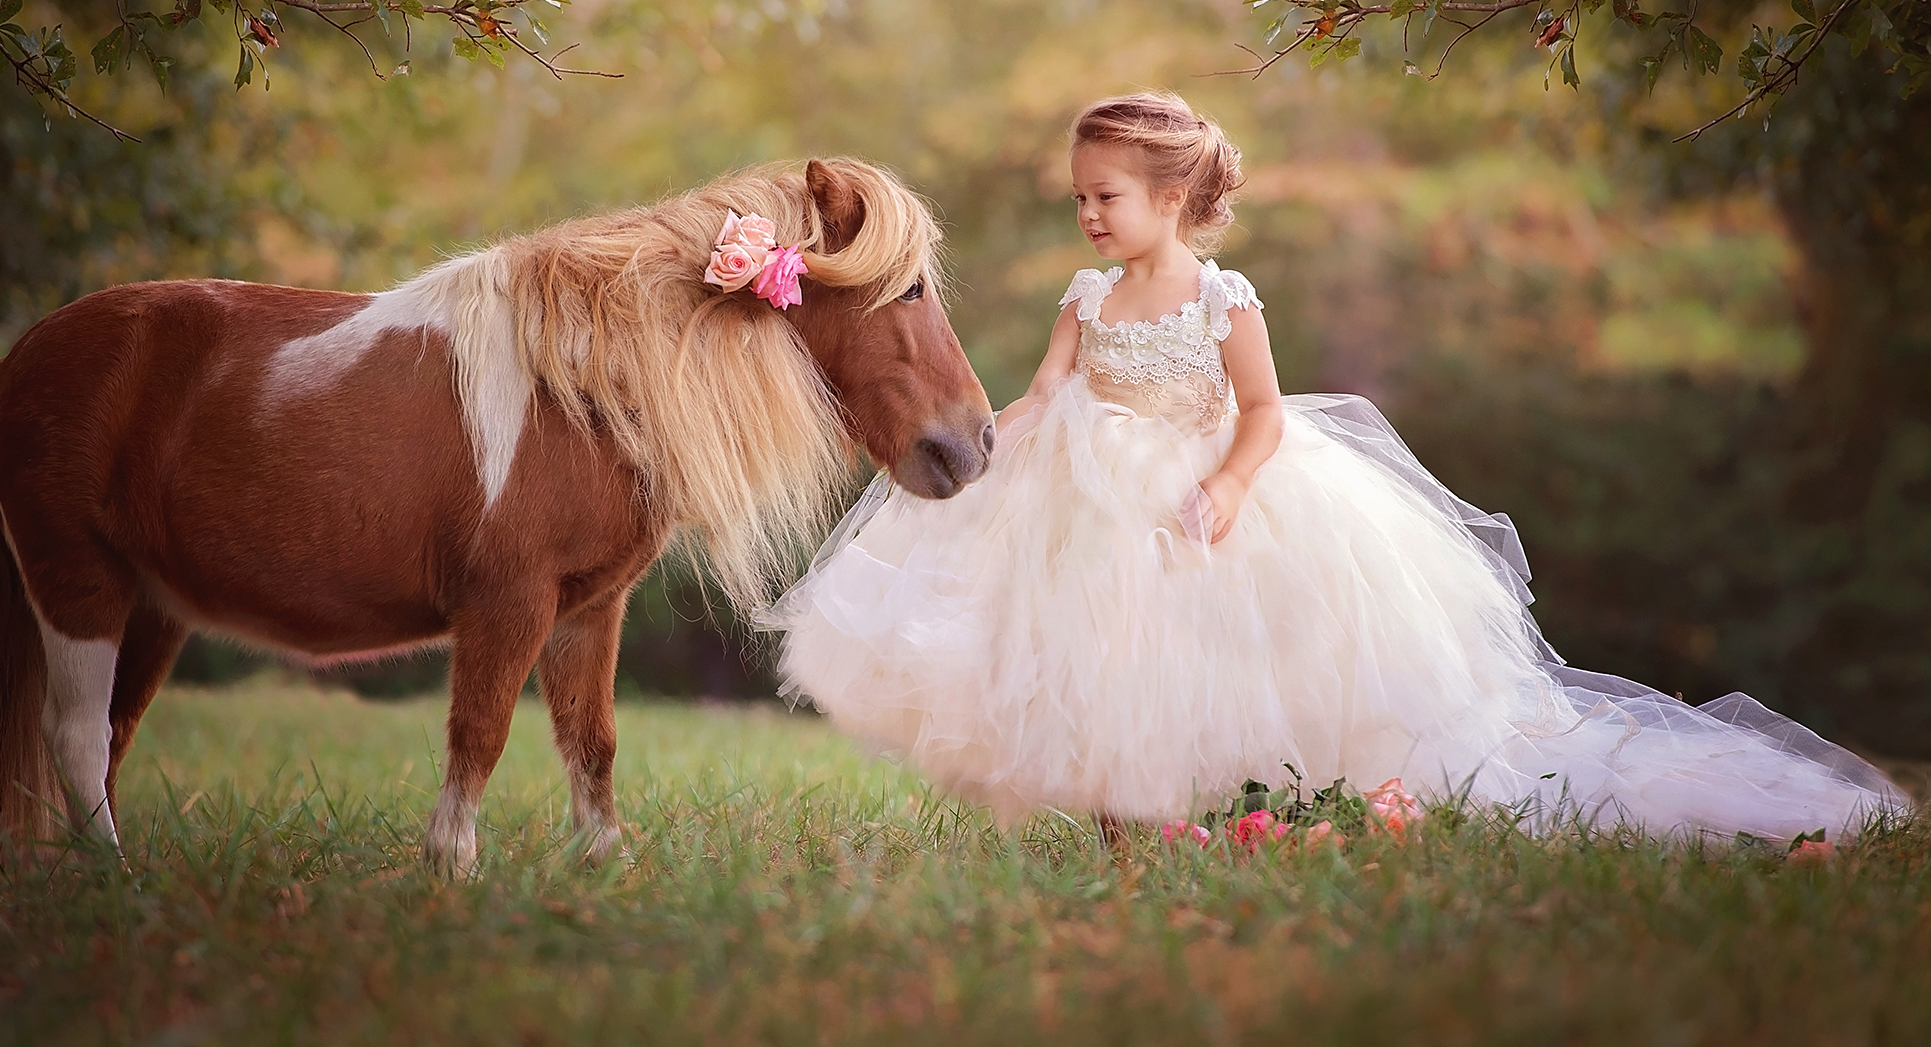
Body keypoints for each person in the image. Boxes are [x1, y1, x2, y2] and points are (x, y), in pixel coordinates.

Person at [764, 92, 1907, 842]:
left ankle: (1214, 802)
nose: (1087, 215)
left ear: (1171, 200)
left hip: (1195, 484)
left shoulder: (1221, 298)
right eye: (1078, 197)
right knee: (1095, 652)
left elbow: (1258, 412)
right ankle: (1120, 818)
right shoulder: (1082, 296)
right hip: (1090, 485)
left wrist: (1225, 482)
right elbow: (1051, 386)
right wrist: (1002, 440)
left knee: (1207, 655)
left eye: (1105, 197)